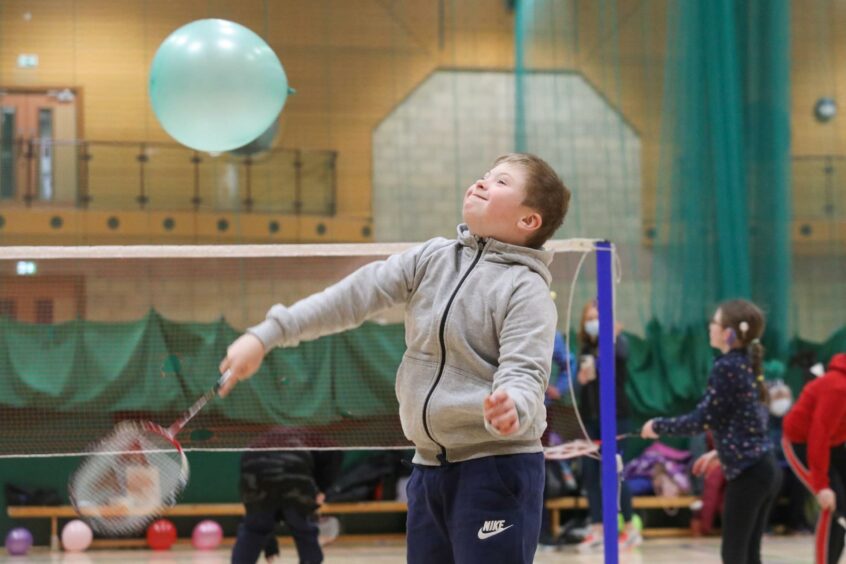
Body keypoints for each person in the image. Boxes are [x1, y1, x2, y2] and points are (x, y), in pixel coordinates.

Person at [219, 152, 571, 564]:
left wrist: (514, 405)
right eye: (483, 176)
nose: (480, 183)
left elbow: (524, 371)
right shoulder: (430, 259)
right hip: (428, 470)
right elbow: (352, 296)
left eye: (501, 182)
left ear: (528, 221)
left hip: (495, 469)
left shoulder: (525, 289)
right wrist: (266, 335)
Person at [641, 299, 781, 564]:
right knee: (749, 556)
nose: (710, 327)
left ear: (728, 333)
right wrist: (720, 452)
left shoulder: (727, 366)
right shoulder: (744, 363)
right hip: (764, 469)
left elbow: (702, 419)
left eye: (715, 322)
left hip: (751, 474)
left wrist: (657, 426)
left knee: (734, 555)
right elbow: (751, 423)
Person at [574, 300, 641, 552]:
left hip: (616, 418)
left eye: (597, 317)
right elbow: (578, 384)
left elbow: (622, 355)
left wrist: (609, 336)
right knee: (590, 475)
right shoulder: (584, 347)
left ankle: (630, 529)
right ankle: (597, 527)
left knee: (615, 472)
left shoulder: (617, 342)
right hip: (590, 419)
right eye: (589, 318)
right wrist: (581, 379)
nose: (592, 322)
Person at [231, 428, 343, 564]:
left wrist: (269, 545)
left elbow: (263, 517)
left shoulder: (270, 435)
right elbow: (336, 451)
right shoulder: (316, 436)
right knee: (302, 526)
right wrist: (321, 489)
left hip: (253, 466)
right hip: (293, 467)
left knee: (255, 527)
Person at [781, 352, 846, 564]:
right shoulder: (838, 388)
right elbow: (819, 434)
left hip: (835, 443)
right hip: (802, 442)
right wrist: (821, 486)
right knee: (832, 503)